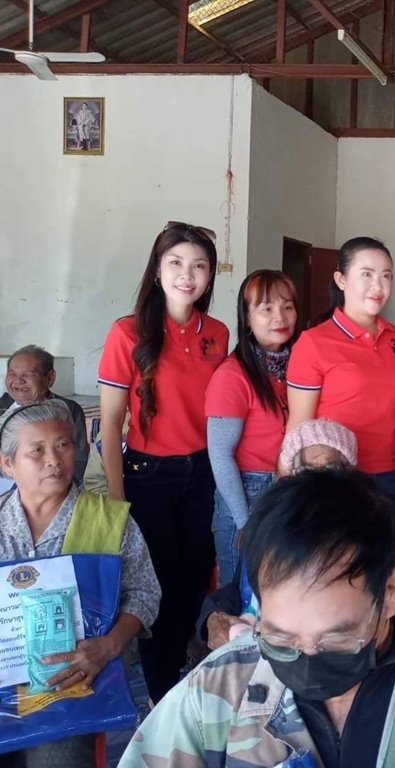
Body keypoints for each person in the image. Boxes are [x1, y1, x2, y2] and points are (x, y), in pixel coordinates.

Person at [120, 469, 395, 767]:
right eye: (280, 639)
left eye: (336, 640)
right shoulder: (219, 685)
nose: (306, 659)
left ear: (391, 592)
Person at [97, 221, 228, 703]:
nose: (186, 275)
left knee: (196, 580)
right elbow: (111, 424)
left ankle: (179, 666)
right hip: (148, 477)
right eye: (175, 263)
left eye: (199, 266)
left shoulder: (217, 333)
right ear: (156, 270)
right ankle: (160, 692)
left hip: (204, 475)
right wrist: (117, 501)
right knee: (158, 586)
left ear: (210, 277)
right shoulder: (127, 332)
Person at [0, 401, 159, 767]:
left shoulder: (109, 520)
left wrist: (108, 645)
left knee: (57, 757)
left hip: (75, 678)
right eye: (37, 451)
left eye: (64, 445)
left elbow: (146, 593)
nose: (54, 460)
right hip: (6, 673)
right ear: (8, 464)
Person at [286, 237, 395, 562]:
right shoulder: (314, 342)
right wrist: (289, 494)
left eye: (386, 276)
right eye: (367, 274)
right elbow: (299, 427)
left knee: (383, 568)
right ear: (341, 279)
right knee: (334, 569)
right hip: (333, 478)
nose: (378, 285)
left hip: (389, 476)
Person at [198, 418, 359, 651]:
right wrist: (213, 617)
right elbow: (238, 589)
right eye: (305, 470)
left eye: (330, 469)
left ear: (348, 476)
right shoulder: (267, 526)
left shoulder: (356, 539)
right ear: (290, 476)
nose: (316, 480)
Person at [206, 270, 298, 586]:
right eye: (266, 308)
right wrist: (244, 521)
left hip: (289, 491)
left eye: (287, 307)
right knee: (240, 594)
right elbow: (220, 454)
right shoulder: (232, 375)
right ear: (247, 318)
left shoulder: (300, 369)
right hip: (247, 495)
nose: (279, 317)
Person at [2, 345, 89, 486]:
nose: (18, 380)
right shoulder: (3, 405)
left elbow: (79, 462)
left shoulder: (67, 411)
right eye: (12, 374)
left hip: (47, 485)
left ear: (50, 378)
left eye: (28, 374)